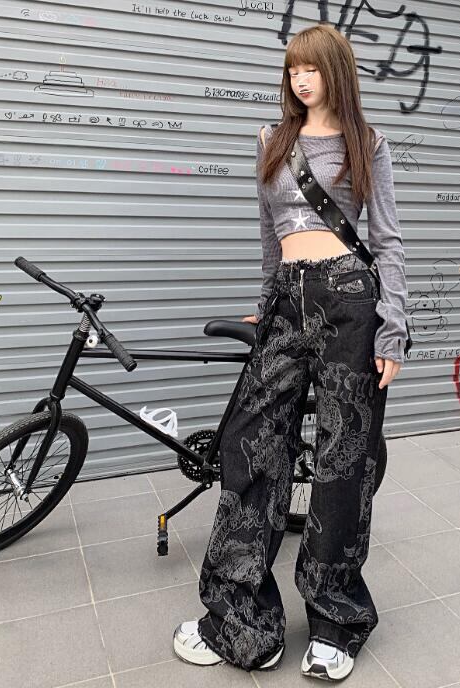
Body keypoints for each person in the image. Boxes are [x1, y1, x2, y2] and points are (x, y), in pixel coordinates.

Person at [173, 23, 409, 681]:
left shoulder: (367, 143)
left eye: (312, 68)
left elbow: (387, 241)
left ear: (336, 70)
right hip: (286, 303)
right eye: (292, 69)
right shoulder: (271, 140)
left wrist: (392, 327)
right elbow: (268, 237)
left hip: (350, 302)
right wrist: (267, 302)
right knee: (247, 447)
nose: (301, 79)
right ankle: (245, 624)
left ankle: (336, 621)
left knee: (341, 461)